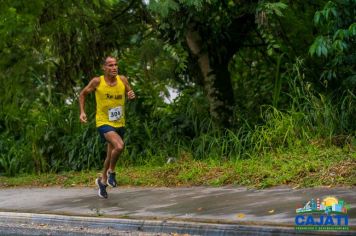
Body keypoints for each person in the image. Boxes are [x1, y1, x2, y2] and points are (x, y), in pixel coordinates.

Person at [79, 56, 135, 198]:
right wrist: (82, 112)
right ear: (104, 68)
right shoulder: (98, 81)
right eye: (110, 65)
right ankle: (111, 172)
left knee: (110, 154)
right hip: (104, 122)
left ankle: (102, 181)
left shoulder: (122, 80)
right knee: (120, 146)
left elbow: (129, 92)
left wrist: (130, 94)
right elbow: (83, 94)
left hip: (119, 122)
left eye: (115, 65)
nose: (114, 67)